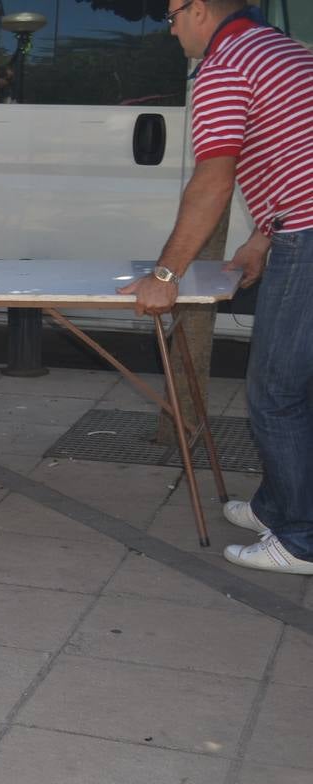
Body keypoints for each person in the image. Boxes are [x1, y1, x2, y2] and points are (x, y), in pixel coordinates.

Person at [118, 1, 313, 575]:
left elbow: (213, 180)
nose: (170, 26)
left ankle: (301, 540)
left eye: (172, 14)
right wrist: (262, 238)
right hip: (298, 226)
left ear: (199, 9)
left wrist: (165, 275)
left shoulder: (226, 64)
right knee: (293, 385)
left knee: (277, 394)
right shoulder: (279, 49)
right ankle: (279, 505)